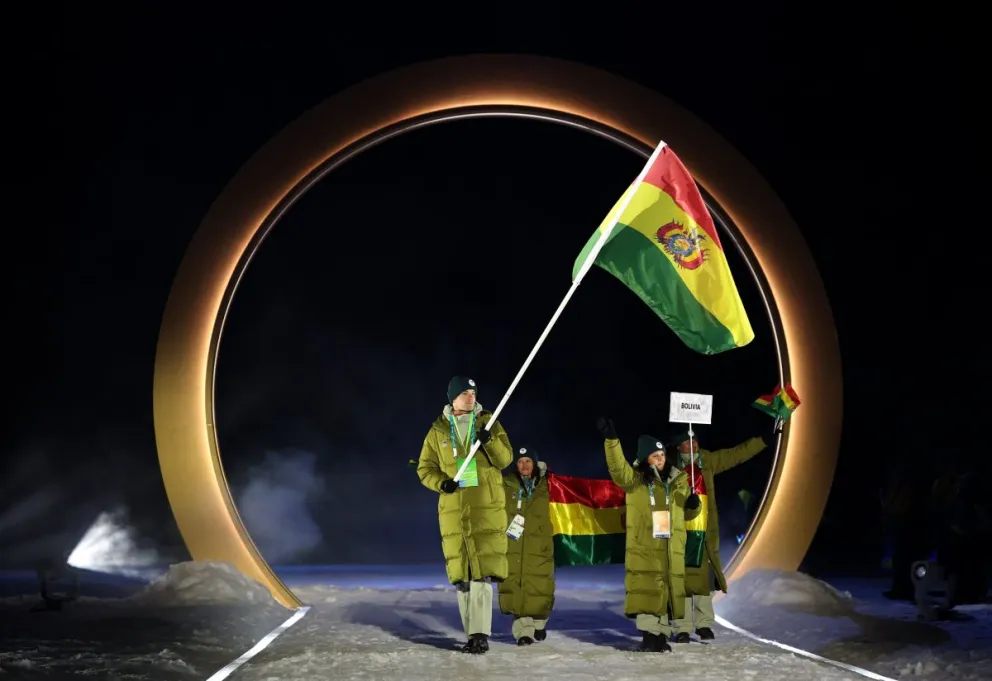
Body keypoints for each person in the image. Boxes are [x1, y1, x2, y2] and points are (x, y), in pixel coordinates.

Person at [417, 376, 514, 654]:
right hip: (455, 511)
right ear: (453, 398)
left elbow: (505, 460)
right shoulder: (437, 431)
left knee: (481, 575)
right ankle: (471, 635)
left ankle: (480, 635)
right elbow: (425, 468)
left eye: (473, 392)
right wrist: (441, 483)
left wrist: (489, 440)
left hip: (485, 508)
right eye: (464, 392)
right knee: (462, 577)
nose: (471, 396)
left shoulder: (488, 421)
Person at [597, 416, 696, 653]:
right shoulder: (636, 480)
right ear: (645, 459)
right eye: (655, 456)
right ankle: (649, 634)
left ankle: (660, 633)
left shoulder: (678, 481)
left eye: (662, 455)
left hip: (671, 547)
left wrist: (692, 504)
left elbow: (688, 515)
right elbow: (618, 469)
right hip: (645, 546)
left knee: (665, 590)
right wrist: (612, 441)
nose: (660, 460)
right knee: (646, 589)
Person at [669, 429, 767, 641]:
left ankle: (703, 624)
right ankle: (682, 627)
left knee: (704, 579)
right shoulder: (671, 468)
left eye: (695, 440)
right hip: (682, 533)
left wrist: (761, 440)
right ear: (678, 447)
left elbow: (735, 454)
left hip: (705, 531)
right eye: (687, 442)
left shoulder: (707, 461)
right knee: (682, 581)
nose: (693, 445)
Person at [498, 447, 555, 645]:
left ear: (535, 463)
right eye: (520, 461)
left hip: (540, 546)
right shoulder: (506, 485)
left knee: (540, 589)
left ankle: (539, 622)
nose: (524, 465)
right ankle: (524, 631)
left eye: (528, 461)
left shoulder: (549, 485)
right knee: (517, 587)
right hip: (514, 546)